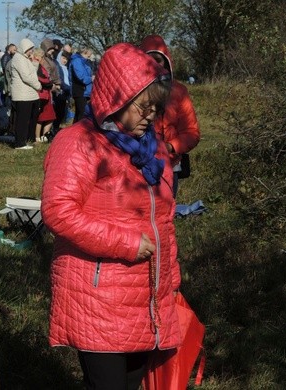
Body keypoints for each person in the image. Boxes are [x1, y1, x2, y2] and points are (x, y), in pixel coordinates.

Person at [41, 43, 181, 390]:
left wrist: (171, 282)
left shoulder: (153, 148)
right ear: (117, 98)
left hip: (145, 292)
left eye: (155, 108)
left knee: (132, 383)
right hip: (99, 293)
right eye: (142, 106)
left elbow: (163, 219)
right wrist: (127, 243)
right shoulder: (78, 142)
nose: (150, 116)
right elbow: (59, 211)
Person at [140, 34, 200, 197]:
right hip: (136, 166)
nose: (153, 65)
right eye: (148, 60)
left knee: (164, 216)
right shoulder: (132, 92)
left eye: (158, 60)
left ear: (166, 62)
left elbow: (191, 132)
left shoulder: (179, 92)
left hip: (169, 165)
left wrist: (170, 147)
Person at [9, 38, 41, 150]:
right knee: (22, 119)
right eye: (30, 49)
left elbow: (32, 73)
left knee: (31, 117)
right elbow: (26, 77)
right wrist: (39, 86)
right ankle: (20, 143)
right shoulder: (18, 59)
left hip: (30, 94)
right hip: (22, 95)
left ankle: (27, 139)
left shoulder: (25, 59)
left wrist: (34, 63)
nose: (31, 52)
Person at [33, 48, 55, 143]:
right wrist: (50, 84)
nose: (43, 59)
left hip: (46, 94)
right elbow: (42, 80)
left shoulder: (41, 66)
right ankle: (37, 138)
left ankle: (44, 136)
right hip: (41, 94)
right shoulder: (36, 66)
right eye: (42, 57)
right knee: (40, 118)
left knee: (49, 116)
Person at [69, 47, 93, 123]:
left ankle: (72, 132)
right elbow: (81, 77)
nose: (88, 58)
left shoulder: (82, 62)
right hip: (79, 90)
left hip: (83, 90)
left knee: (79, 113)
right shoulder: (77, 61)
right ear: (84, 53)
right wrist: (91, 79)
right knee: (82, 114)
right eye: (88, 56)